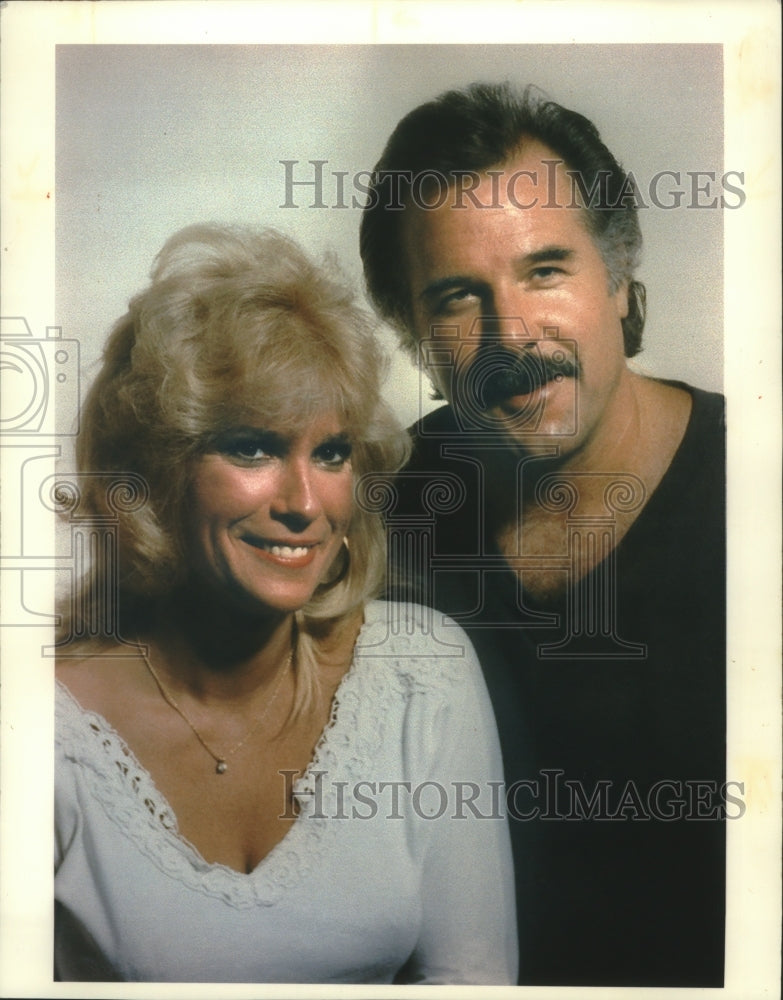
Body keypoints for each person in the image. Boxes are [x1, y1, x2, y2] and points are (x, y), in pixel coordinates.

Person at [54, 223, 517, 984]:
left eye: (331, 453)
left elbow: (476, 980)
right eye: (252, 447)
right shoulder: (45, 731)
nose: (304, 502)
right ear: (158, 471)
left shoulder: (419, 672)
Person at [360, 83, 726, 987]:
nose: (509, 334)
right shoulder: (375, 513)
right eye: (456, 297)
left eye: (545, 270)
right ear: (411, 335)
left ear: (619, 278)